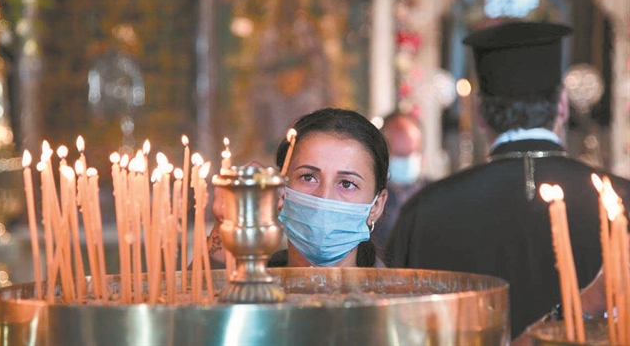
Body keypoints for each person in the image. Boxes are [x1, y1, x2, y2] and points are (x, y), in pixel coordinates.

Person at [385, 21, 630, 339]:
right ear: (562, 105)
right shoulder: (621, 199)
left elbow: (398, 328)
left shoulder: (424, 210)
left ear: (479, 113)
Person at [207, 107, 389, 268]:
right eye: (308, 177)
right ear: (279, 190)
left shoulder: (395, 299)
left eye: (347, 184)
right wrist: (225, 225)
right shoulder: (251, 289)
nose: (324, 197)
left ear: (376, 206)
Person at [372, 112, 431, 262]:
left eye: (410, 153)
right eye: (398, 154)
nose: (404, 161)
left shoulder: (436, 196)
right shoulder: (366, 199)